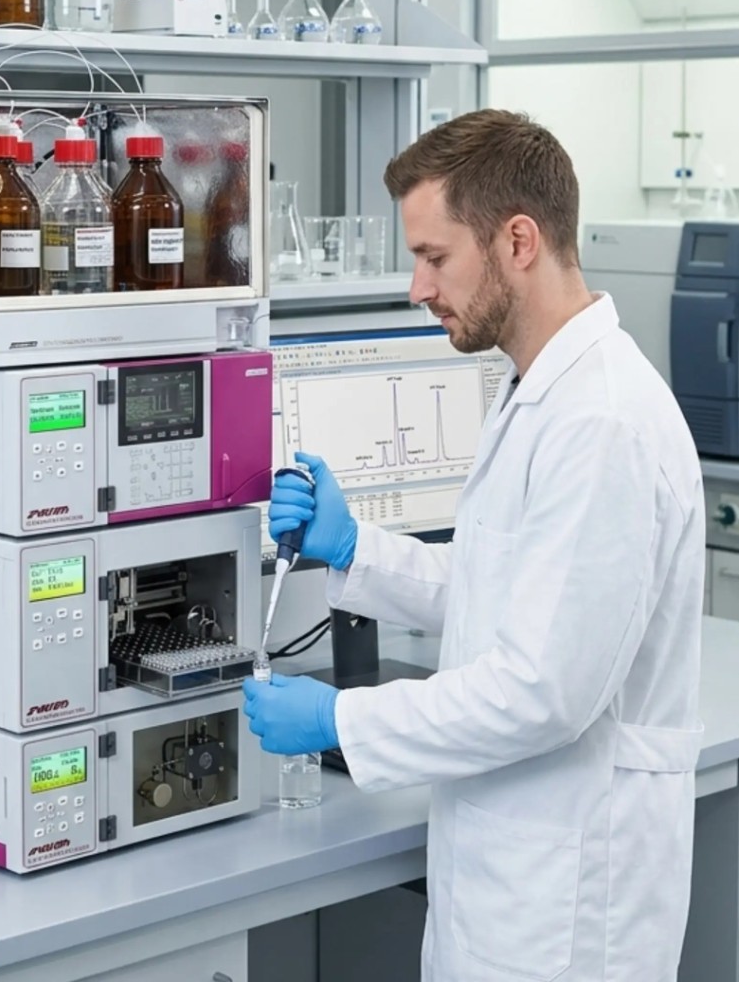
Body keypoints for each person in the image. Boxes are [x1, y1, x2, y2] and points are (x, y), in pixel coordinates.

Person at [243, 109, 705, 981]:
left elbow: (541, 692)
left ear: (517, 241)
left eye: (434, 256)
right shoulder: (538, 388)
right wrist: (354, 550)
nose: (417, 287)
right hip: (513, 870)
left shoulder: (601, 422)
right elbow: (507, 585)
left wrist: (340, 720)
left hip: (567, 907)